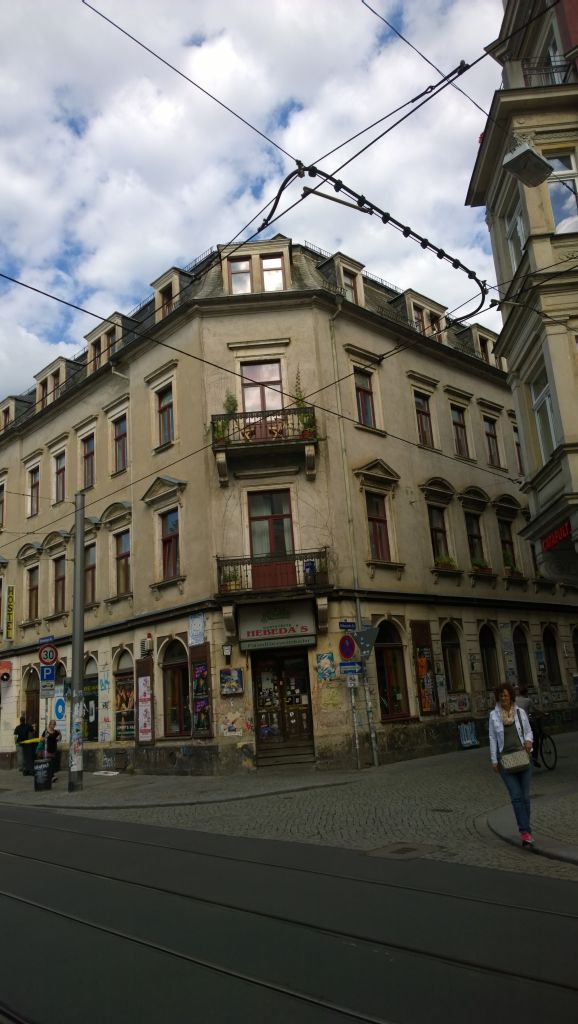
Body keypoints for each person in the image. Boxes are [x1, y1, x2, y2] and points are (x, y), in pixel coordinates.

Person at [489, 682, 535, 848]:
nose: (504, 698)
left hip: (523, 758)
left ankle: (526, 829)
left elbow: (528, 731)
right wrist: (494, 760)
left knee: (525, 797)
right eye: (501, 696)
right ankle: (525, 832)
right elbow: (492, 738)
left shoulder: (520, 712)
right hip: (505, 760)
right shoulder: (493, 715)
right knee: (516, 797)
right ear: (498, 697)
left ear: (511, 697)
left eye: (506, 695)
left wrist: (529, 741)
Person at [516, 686, 542, 767]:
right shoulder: (528, 700)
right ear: (526, 693)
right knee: (535, 737)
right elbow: (535, 709)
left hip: (516, 723)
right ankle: (534, 757)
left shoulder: (515, 699)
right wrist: (543, 713)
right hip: (525, 722)